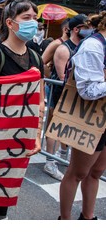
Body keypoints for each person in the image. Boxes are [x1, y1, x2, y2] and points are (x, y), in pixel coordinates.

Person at [0, 0, 44, 220]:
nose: (32, 23)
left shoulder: (36, 57)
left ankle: (3, 221)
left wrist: (37, 135)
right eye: (26, 18)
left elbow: (40, 100)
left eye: (35, 18)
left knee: (9, 182)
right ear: (10, 23)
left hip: (19, 137)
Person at [59, 12, 106, 220]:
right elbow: (87, 90)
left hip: (103, 117)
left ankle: (88, 217)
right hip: (89, 116)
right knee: (77, 173)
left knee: (96, 172)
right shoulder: (93, 46)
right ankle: (65, 221)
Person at [44, 14, 88, 180]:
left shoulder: (82, 47)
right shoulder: (63, 48)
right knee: (55, 128)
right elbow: (63, 78)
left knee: (68, 127)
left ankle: (62, 154)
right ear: (76, 29)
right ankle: (50, 161)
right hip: (60, 93)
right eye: (86, 27)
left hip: (75, 95)